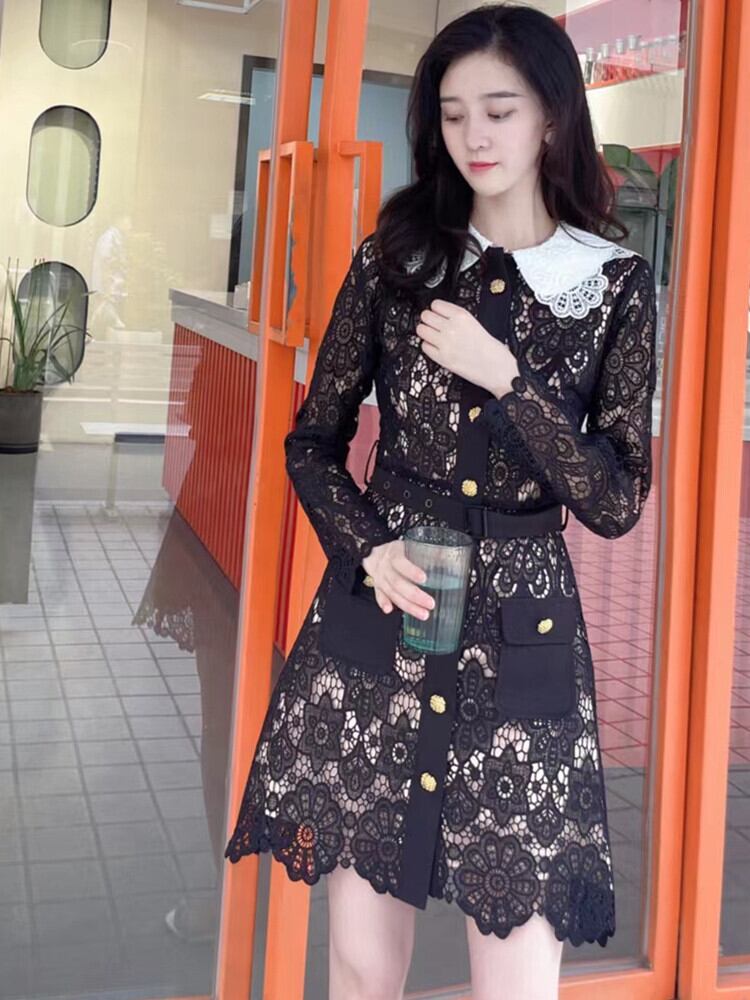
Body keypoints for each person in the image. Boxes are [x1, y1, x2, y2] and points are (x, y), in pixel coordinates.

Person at [225, 4, 658, 998]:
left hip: (522, 642)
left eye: (499, 110)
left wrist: (508, 378)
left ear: (552, 116)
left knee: (518, 974)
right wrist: (366, 549)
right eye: (455, 114)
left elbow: (615, 499)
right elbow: (312, 444)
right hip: (388, 620)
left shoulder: (612, 285)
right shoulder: (396, 263)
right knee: (359, 961)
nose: (475, 136)